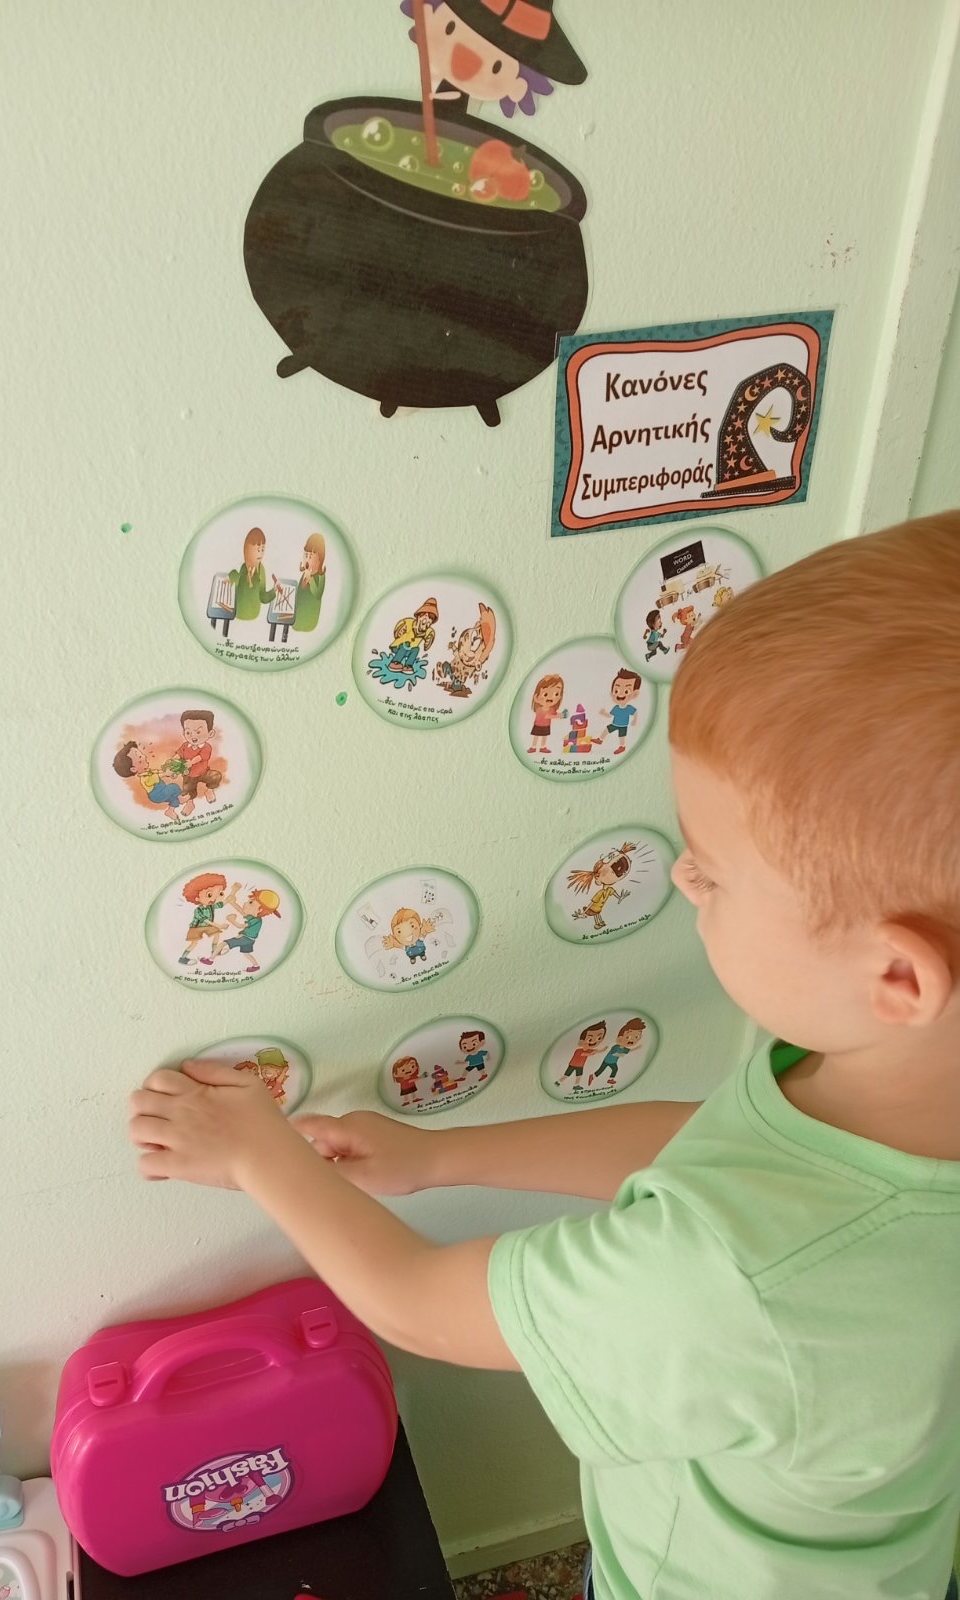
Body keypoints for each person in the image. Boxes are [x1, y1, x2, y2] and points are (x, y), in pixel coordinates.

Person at [128, 513, 960, 1600]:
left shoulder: (737, 1279)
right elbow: (717, 1151)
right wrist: (438, 1154)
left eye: (712, 870)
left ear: (896, 976)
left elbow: (419, 1301)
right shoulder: (888, 1090)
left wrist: (256, 1155)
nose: (681, 879)